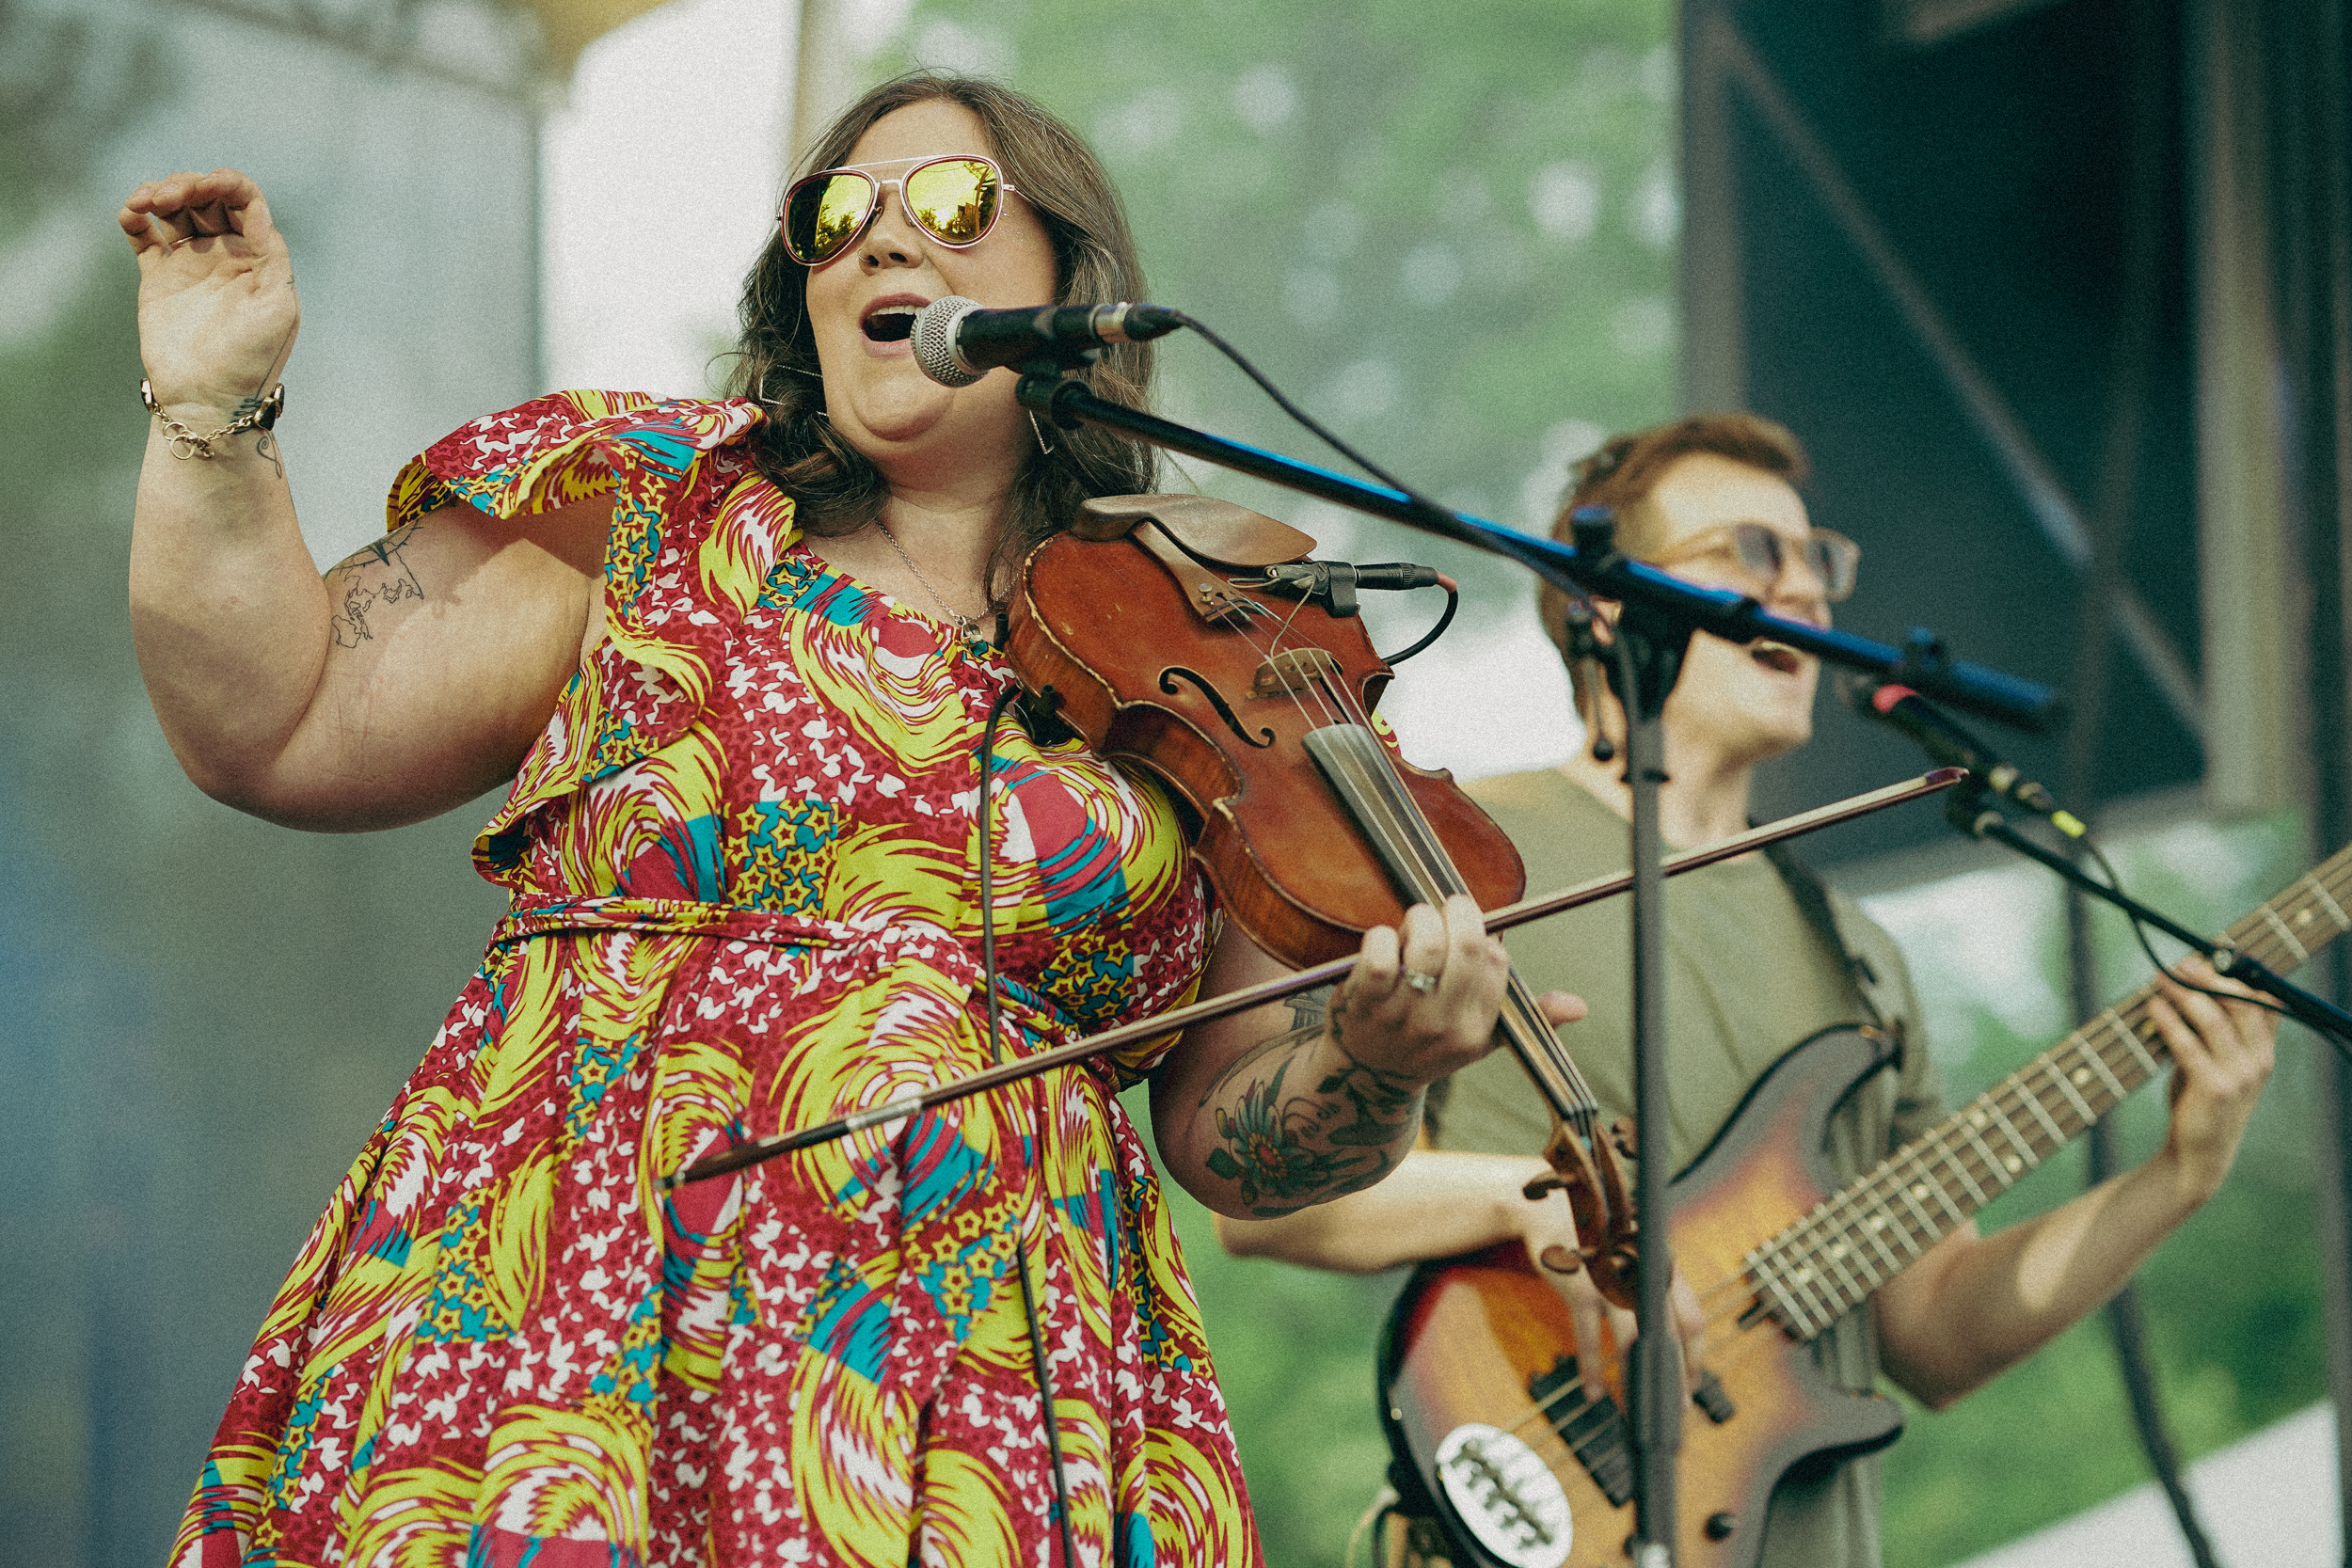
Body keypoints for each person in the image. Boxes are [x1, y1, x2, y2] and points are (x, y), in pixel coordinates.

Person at [121, 72, 1575, 1568]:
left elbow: (1232, 1135)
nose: (883, 245)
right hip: (580, 1302)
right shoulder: (657, 507)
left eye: (949, 206)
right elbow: (270, 719)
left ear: (1071, 286)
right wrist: (212, 408)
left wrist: (1377, 1065)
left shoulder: (1229, 656)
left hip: (996, 1392)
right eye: (837, 218)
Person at [1216, 414, 2279, 1568]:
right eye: (1751, 556)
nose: (1806, 597)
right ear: (1606, 601)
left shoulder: (1858, 955)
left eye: (1816, 562)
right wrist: (1528, 1194)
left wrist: (2179, 1173)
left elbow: (1934, 1333)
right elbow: (1265, 1199)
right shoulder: (1460, 847)